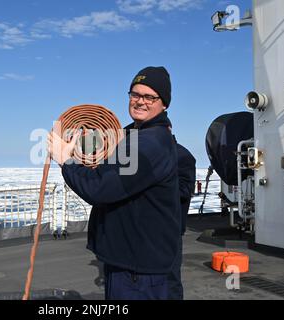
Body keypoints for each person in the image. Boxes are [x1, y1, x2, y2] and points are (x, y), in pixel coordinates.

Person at [47, 66, 181, 300]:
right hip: (132, 262)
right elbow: (105, 153)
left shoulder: (150, 145)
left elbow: (100, 189)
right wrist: (80, 139)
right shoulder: (136, 137)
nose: (140, 101)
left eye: (150, 97)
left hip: (139, 271)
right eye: (135, 94)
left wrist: (65, 160)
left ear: (164, 103)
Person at [167, 138, 196, 300]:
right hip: (145, 228)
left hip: (170, 227)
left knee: (170, 278)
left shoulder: (183, 155)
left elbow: (184, 190)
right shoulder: (143, 153)